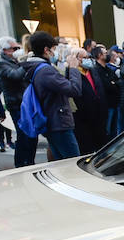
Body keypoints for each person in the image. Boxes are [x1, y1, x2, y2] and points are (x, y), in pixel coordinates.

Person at [21, 31, 84, 161]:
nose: (55, 53)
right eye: (54, 49)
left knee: (61, 162)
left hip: (53, 121)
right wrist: (73, 68)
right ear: (46, 50)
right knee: (72, 162)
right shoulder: (45, 70)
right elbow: (74, 89)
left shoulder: (40, 68)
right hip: (58, 123)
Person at [0, 36, 29, 162]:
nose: (17, 50)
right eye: (14, 48)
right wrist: (25, 63)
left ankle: (28, 161)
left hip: (23, 102)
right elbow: (15, 76)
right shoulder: (1, 63)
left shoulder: (13, 61)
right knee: (23, 134)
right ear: (5, 50)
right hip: (16, 103)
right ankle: (21, 162)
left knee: (29, 135)